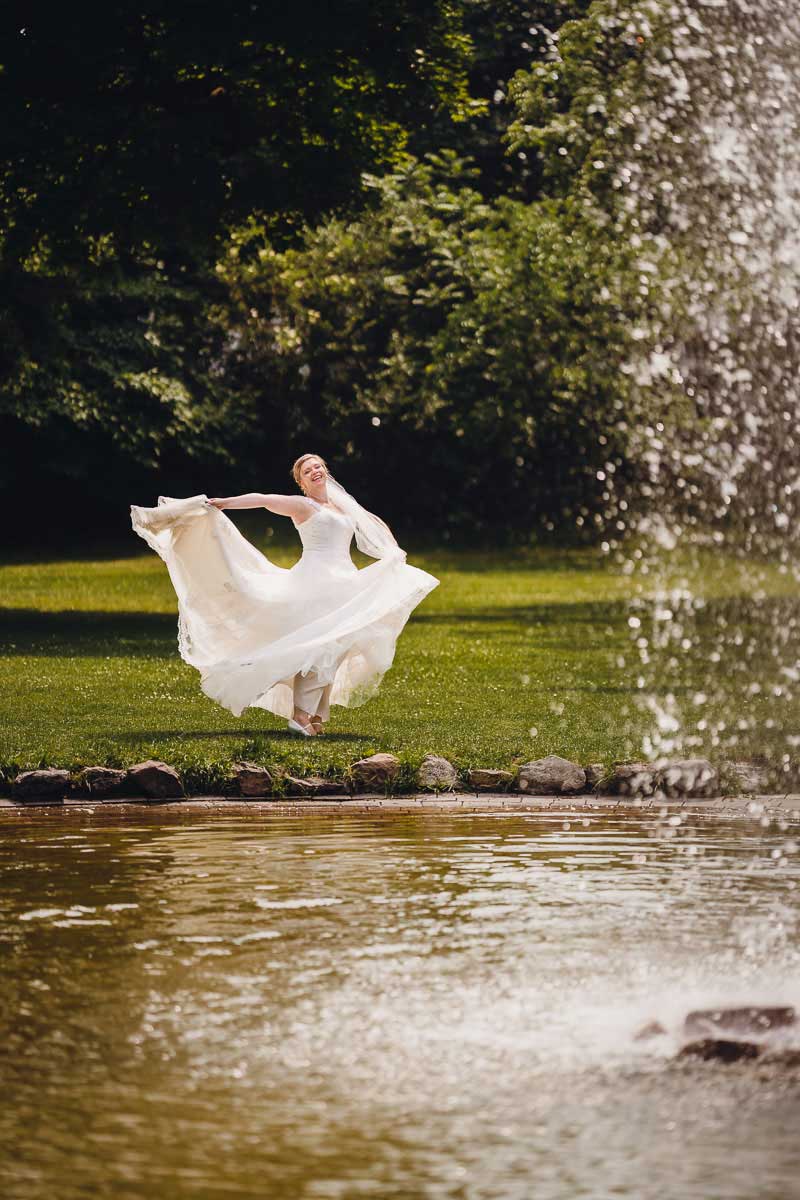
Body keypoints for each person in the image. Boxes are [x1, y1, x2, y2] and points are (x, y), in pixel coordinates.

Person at [130, 454, 439, 735]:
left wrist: (392, 551)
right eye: (307, 471)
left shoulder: (340, 505)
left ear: (326, 472)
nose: (315, 471)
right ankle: (300, 716)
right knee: (320, 647)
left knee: (336, 644)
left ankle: (315, 715)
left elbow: (369, 521)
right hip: (315, 583)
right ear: (301, 483)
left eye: (318, 466)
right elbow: (264, 500)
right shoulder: (304, 506)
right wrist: (225, 502)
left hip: (343, 581)